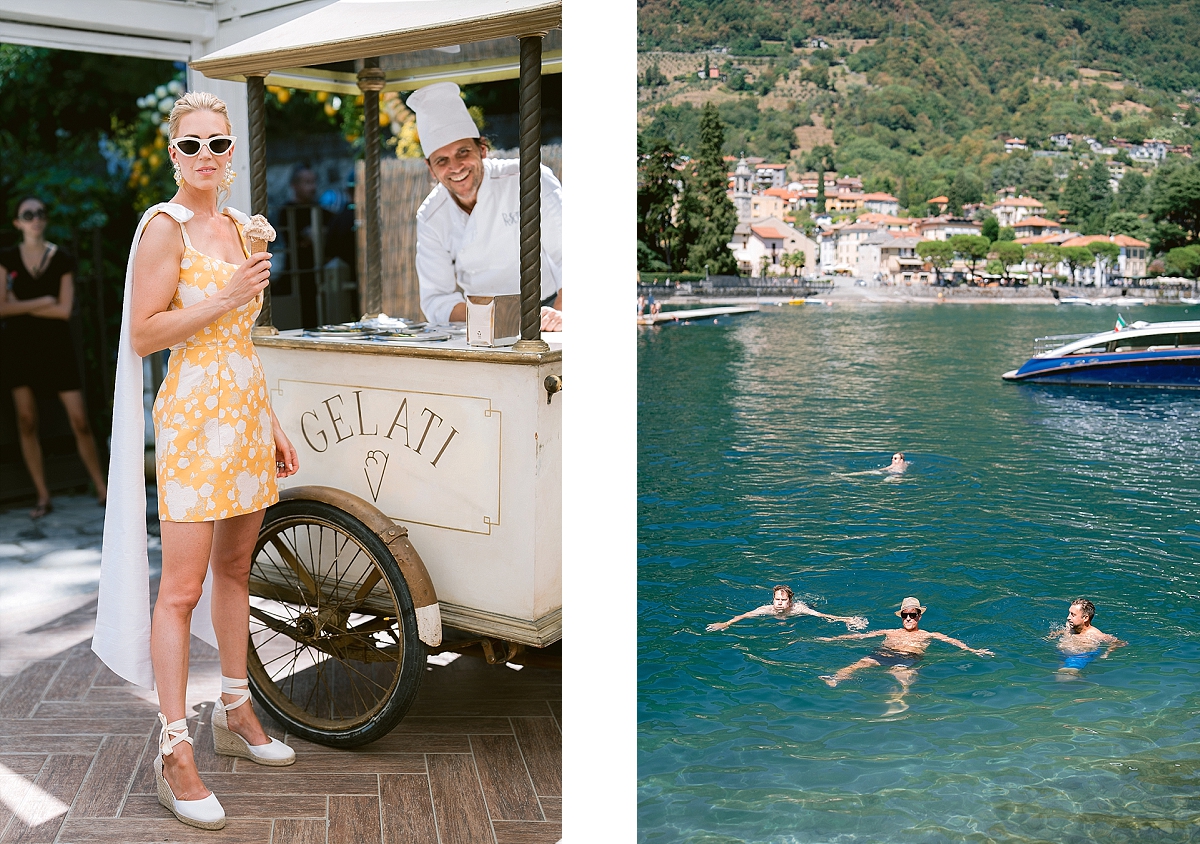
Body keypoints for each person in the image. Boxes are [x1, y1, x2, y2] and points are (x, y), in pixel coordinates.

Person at [92, 92, 299, 832]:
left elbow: (241, 342)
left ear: (232, 152)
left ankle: (236, 711)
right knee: (179, 590)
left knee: (237, 570)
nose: (206, 157)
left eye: (218, 144)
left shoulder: (244, 228)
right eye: (192, 146)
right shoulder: (164, 228)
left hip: (243, 413)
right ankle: (174, 751)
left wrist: (270, 420)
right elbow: (145, 336)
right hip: (191, 423)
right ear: (172, 152)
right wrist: (226, 298)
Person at [410, 82, 562, 329]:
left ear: (482, 150)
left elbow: (569, 254)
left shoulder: (529, 179)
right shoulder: (430, 216)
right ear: (431, 169)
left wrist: (561, 316)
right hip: (483, 323)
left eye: (463, 152)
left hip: (549, 310)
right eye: (442, 160)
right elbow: (437, 298)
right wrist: (493, 320)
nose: (456, 167)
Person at [0, 196, 108, 517]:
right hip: (19, 350)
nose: (35, 218)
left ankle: (102, 491)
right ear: (18, 222)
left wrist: (27, 304)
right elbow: (1, 307)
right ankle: (43, 496)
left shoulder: (61, 258)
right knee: (27, 421)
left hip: (57, 349)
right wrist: (43, 299)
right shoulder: (6, 259)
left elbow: (63, 311)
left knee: (80, 421)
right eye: (27, 214)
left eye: (40, 213)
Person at [818, 598, 993, 704]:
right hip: (884, 653)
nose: (908, 618)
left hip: (908, 657)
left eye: (912, 614)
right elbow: (861, 637)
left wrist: (973, 650)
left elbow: (952, 641)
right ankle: (835, 679)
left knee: (901, 674)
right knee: (861, 663)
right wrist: (833, 639)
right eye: (905, 615)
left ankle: (898, 699)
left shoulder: (928, 634)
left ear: (919, 616)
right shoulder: (890, 631)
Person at [706, 585, 867, 632]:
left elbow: (821, 615)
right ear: (773, 600)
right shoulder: (766, 609)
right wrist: (726, 624)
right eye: (777, 600)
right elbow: (745, 615)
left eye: (784, 600)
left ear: (789, 601)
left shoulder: (798, 609)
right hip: (782, 618)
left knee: (810, 609)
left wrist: (846, 619)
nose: (780, 603)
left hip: (800, 613)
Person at [1045, 598, 1125, 675]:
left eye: (1073, 615)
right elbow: (1063, 631)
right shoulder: (1070, 627)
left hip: (1079, 657)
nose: (1068, 617)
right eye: (1069, 613)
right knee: (1059, 677)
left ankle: (1074, 673)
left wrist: (1107, 652)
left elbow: (1120, 643)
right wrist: (1056, 633)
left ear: (1085, 618)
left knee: (1064, 676)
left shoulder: (1095, 634)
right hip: (1063, 655)